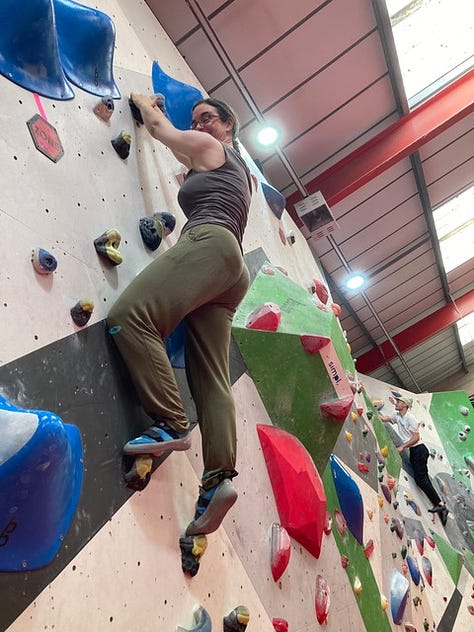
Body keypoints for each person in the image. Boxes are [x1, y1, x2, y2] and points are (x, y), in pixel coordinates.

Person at [107, 94, 252, 537]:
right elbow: (175, 146)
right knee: (211, 378)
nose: (202, 126)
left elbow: (162, 133)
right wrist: (168, 128)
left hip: (210, 243)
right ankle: (218, 479)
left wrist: (146, 105)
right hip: (232, 271)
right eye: (197, 120)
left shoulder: (215, 150)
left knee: (131, 316)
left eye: (209, 119)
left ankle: (169, 421)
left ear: (229, 126)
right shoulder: (227, 169)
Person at [379, 395, 449, 526]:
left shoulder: (410, 418)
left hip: (419, 450)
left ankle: (441, 506)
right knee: (425, 479)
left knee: (420, 479)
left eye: (399, 402)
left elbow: (416, 437)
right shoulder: (398, 416)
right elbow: (386, 419)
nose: (397, 403)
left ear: (405, 405)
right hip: (415, 452)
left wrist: (402, 446)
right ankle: (439, 504)